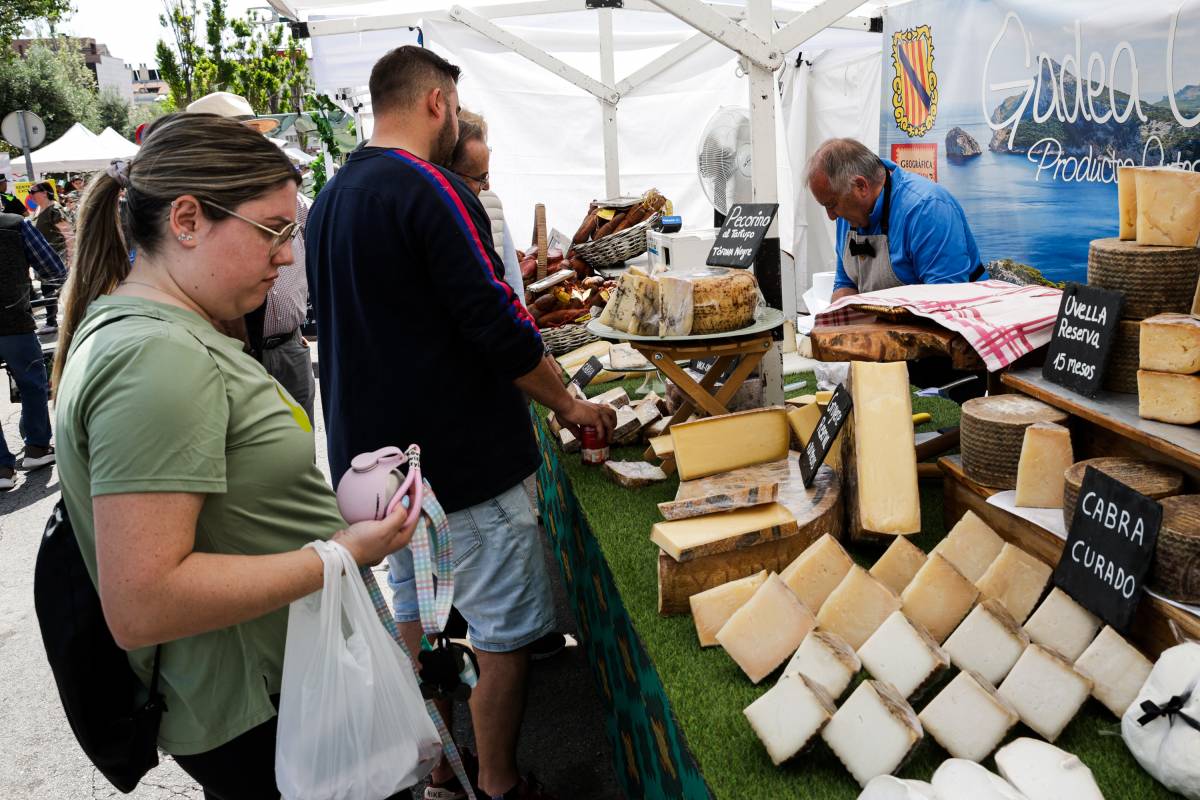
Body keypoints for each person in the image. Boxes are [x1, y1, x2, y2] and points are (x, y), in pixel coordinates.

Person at [52, 112, 423, 800]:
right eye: (274, 231)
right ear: (187, 220)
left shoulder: (162, 334)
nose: (286, 255)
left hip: (279, 696)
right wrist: (340, 554)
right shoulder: (156, 357)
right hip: (271, 709)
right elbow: (143, 601)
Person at [306, 45, 615, 800]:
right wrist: (570, 404)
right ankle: (501, 781)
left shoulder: (332, 196)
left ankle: (440, 763)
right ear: (437, 102)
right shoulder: (429, 187)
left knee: (419, 620)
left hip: (379, 471)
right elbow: (495, 319)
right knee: (503, 632)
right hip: (456, 464)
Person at [184, 91, 316, 425]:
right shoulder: (193, 215)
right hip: (224, 356)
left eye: (256, 136)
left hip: (287, 348)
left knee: (298, 459)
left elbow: (308, 262)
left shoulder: (294, 202)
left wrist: (291, 328)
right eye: (244, 137)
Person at [806, 137, 983, 302]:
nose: (831, 216)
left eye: (831, 204)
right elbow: (845, 285)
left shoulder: (927, 208)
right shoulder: (849, 213)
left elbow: (946, 303)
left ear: (861, 186)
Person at [0, 211, 65, 489]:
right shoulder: (15, 224)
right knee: (33, 384)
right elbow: (54, 269)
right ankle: (37, 448)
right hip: (13, 320)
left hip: (13, 321)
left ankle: (2, 468)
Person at [28, 181, 71, 332]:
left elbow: (68, 234)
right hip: (45, 259)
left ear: (45, 192)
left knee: (56, 289)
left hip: (58, 257)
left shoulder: (55, 209)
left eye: (33, 192)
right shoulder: (38, 210)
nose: (30, 195)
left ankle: (55, 322)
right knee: (50, 290)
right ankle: (53, 321)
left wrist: (70, 258)